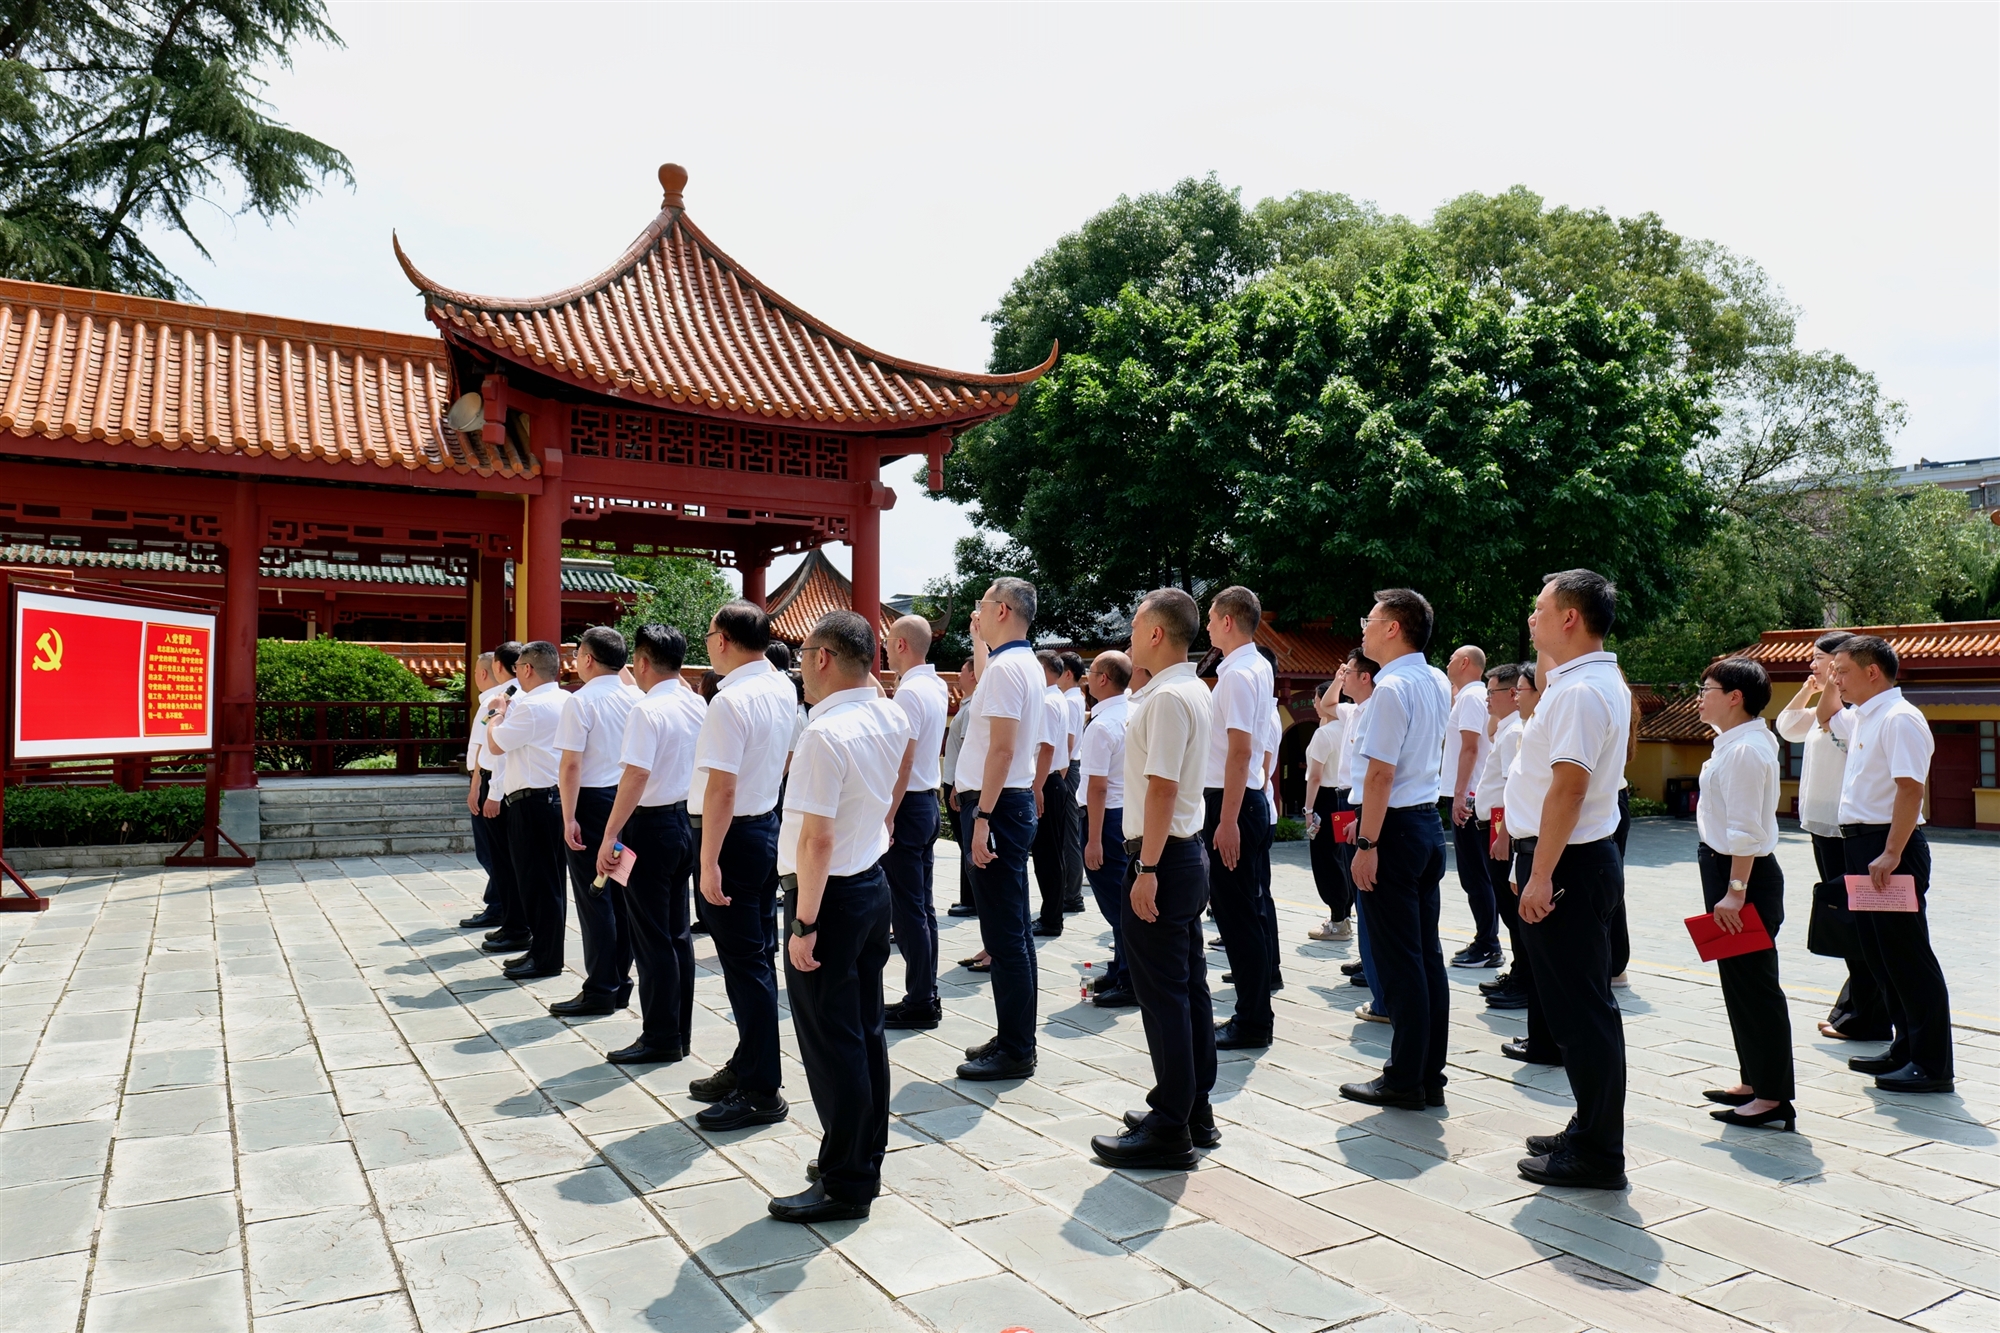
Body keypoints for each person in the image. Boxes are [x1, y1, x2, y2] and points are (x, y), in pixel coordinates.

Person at [767, 610, 915, 1224]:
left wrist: (804, 924)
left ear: (823, 658)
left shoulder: (825, 734)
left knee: (833, 1044)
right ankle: (860, 1154)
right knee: (863, 1033)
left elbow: (816, 839)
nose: (800, 670)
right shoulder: (889, 714)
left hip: (827, 895)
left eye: (804, 657)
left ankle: (846, 1180)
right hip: (869, 883)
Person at [1506, 569, 1633, 1190]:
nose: (1531, 619)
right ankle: (1589, 1127)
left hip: (1569, 864)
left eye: (1539, 608)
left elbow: (1569, 789)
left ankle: (1599, 1152)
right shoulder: (1585, 681)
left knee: (1583, 1014)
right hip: (1573, 859)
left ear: (1569, 619)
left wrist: (1540, 873)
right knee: (1577, 1009)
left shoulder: (1582, 691)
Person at [1089, 588, 1218, 1169]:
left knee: (1163, 995)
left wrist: (1146, 868)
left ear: (1157, 633)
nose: (1131, 635)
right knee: (1188, 987)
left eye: (1137, 624)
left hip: (1162, 858)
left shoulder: (1166, 698)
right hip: (1184, 853)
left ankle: (1171, 1126)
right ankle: (1192, 1108)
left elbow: (1161, 789)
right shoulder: (1191, 689)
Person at [685, 600, 799, 1129]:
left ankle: (760, 1088)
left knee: (745, 964)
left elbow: (722, 788)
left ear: (724, 639)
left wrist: (708, 860)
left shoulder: (730, 700)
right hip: (762, 828)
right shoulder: (780, 686)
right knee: (754, 959)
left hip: (729, 837)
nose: (709, 643)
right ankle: (749, 1062)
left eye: (710, 634)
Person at [1339, 589, 1450, 1110]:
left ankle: (1404, 1079)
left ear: (1393, 628)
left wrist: (1367, 841)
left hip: (1394, 830)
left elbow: (1381, 774)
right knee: (1426, 957)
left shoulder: (1390, 688)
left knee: (1400, 961)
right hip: (1425, 823)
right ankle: (1428, 1075)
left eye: (1371, 618)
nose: (1363, 627)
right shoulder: (1436, 679)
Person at [1829, 636, 1953, 1094]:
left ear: (1872, 672)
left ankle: (1932, 1064)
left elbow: (1910, 788)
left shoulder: (1900, 718)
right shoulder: (1867, 716)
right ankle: (1905, 1048)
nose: (1836, 680)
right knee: (1881, 956)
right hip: (1864, 845)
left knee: (1908, 956)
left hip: (1888, 847)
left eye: (1842, 671)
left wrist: (1892, 852)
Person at [1693, 656, 1794, 1130]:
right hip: (1728, 872)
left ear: (1735, 697)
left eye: (1706, 689)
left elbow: (1746, 829)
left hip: (1743, 877)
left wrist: (1735, 891)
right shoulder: (1734, 743)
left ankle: (1773, 1097)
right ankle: (1754, 1080)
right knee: (1739, 983)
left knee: (1755, 985)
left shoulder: (1746, 750)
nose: (1700, 697)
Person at [598, 625, 704, 1065]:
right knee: (677, 934)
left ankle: (659, 1035)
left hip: (650, 825)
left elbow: (636, 774)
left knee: (652, 938)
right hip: (685, 821)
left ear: (641, 662)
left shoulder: (646, 709)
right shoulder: (696, 703)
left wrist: (610, 834)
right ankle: (678, 1032)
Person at [1777, 631, 1890, 1041]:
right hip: (1823, 827)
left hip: (1848, 831)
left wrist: (1829, 682)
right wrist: (1812, 686)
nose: (1813, 665)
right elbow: (1787, 726)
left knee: (1856, 921)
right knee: (1845, 920)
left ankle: (1864, 1015)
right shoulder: (1828, 710)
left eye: (1820, 659)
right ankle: (1855, 1010)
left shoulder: (1852, 715)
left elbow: (1828, 713)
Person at [954, 578, 1046, 1080]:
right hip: (1006, 803)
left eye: (984, 605)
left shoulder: (1009, 669)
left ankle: (1015, 1048)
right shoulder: (1016, 662)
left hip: (998, 807)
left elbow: (1003, 749)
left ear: (1004, 610)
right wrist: (977, 639)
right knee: (1012, 932)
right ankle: (1015, 1035)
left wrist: (983, 817)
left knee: (1005, 936)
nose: (979, 612)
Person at [553, 627, 643, 1016]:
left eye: (577, 655)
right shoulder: (638, 697)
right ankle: (619, 981)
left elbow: (571, 764)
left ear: (588, 659)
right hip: (631, 801)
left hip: (592, 803)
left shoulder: (581, 700)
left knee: (595, 897)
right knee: (621, 895)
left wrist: (568, 816)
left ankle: (601, 987)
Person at [1202, 585, 1277, 1049]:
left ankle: (1252, 1021)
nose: (1208, 626)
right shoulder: (1254, 666)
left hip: (1233, 802)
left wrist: (1227, 820)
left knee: (1237, 918)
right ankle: (1253, 1015)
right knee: (1244, 913)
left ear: (1228, 621)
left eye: (1212, 618)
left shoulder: (1237, 674)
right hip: (1242, 799)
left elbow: (1240, 751)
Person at [484, 640, 571, 981]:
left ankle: (545, 957)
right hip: (554, 798)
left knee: (538, 884)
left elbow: (496, 744)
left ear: (529, 669)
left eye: (519, 667)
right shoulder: (566, 699)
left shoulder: (530, 706)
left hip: (533, 802)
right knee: (550, 883)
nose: (517, 673)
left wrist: (496, 712)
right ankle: (544, 951)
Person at [882, 615, 950, 1030]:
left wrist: (887, 817)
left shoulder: (909, 693)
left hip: (906, 806)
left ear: (902, 645)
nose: (885, 649)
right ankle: (925, 992)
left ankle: (921, 1000)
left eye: (889, 642)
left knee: (908, 912)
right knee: (922, 907)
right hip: (926, 801)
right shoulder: (935, 685)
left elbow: (902, 761)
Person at [1079, 651, 1136, 1008]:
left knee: (1117, 903)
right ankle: (1121, 969)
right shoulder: (1135, 712)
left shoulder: (1102, 725)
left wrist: (1094, 839)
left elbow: (1097, 787)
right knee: (1123, 897)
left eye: (1091, 672)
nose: (1087, 678)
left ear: (1103, 679)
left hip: (1106, 817)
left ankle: (1130, 978)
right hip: (1127, 813)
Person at [1338, 650, 1389, 1023]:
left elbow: (1380, 774)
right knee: (1363, 902)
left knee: (1373, 908)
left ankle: (1383, 997)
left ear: (1366, 677)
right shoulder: (1359, 710)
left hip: (1368, 811)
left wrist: (1366, 830)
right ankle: (1376, 980)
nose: (1343, 676)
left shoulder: (1380, 704)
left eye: (1349, 671)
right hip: (1357, 806)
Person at [1444, 645, 1501, 969]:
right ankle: (1486, 939)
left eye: (1452, 659)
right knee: (1477, 874)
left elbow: (1469, 748)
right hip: (1474, 795)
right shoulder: (1474, 696)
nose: (1448, 663)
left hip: (1469, 798)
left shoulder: (1470, 697)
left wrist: (1459, 795)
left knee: (1475, 875)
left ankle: (1488, 943)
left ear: (1465, 663)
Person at [470, 642, 528, 952]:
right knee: (504, 859)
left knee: (501, 859)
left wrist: (488, 790)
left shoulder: (504, 699)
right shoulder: (515, 696)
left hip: (499, 784)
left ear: (496, 667)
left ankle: (512, 921)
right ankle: (510, 920)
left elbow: (496, 751)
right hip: (500, 783)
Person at [1304, 672, 1356, 941]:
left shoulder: (1323, 734)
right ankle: (1344, 915)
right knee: (1343, 858)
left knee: (1326, 861)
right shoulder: (1349, 728)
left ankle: (1338, 920)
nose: (1315, 704)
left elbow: (1314, 776)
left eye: (1316, 699)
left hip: (1324, 800)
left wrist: (1308, 810)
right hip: (1346, 799)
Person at [460, 651, 508, 931]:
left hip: (489, 779)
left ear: (483, 673)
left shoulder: (492, 702)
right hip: (491, 778)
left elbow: (483, 749)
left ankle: (499, 905)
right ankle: (499, 903)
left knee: (490, 851)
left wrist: (476, 786)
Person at [1031, 650, 1076, 937]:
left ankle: (1051, 918)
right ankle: (1051, 915)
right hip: (1052, 780)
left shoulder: (1048, 701)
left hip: (1045, 782)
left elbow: (1047, 748)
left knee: (1047, 855)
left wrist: (1037, 787)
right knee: (1050, 853)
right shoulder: (1057, 697)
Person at [943, 656, 980, 921]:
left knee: (967, 842)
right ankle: (968, 897)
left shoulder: (971, 708)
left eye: (962, 671)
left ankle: (972, 899)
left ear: (974, 675)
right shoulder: (966, 704)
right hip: (955, 780)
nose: (958, 675)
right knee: (963, 843)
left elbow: (969, 748)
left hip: (960, 783)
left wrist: (957, 784)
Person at [1059, 650, 1090, 912]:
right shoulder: (1076, 698)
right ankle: (1070, 892)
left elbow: (1067, 745)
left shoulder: (1069, 701)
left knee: (1069, 834)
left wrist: (1059, 777)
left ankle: (1072, 895)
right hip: (1071, 768)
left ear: (1068, 674)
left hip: (1067, 769)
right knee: (1069, 832)